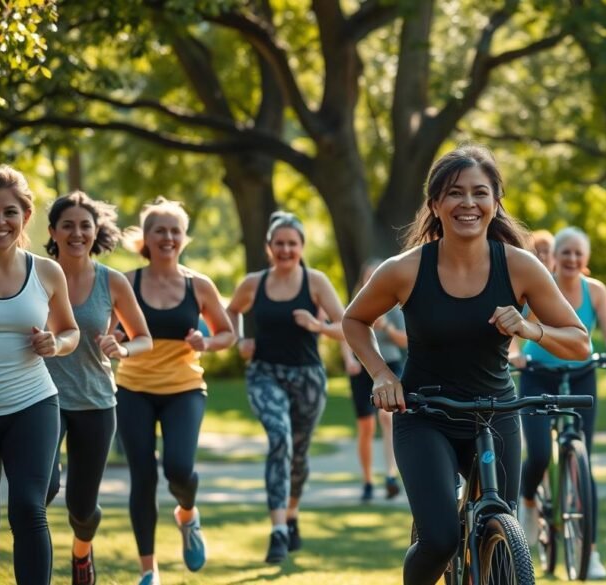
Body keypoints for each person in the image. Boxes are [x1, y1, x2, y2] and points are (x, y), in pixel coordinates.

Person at [342, 144, 590, 585]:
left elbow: (579, 343)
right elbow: (355, 319)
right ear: (435, 205)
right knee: (440, 540)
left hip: (495, 414)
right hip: (425, 416)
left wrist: (532, 331)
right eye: (455, 193)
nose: (468, 204)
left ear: (495, 203)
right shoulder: (406, 269)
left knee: (500, 532)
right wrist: (382, 373)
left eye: (480, 193)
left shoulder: (520, 267)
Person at [0, 166, 80, 585]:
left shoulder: (47, 271)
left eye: (10, 212)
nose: (0, 222)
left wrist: (57, 343)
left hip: (32, 402)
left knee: (29, 508)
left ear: (25, 217)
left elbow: (70, 331)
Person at [116, 197, 235, 585]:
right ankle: (148, 571)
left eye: (174, 231)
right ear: (145, 238)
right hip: (133, 388)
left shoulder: (198, 285)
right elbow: (108, 330)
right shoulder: (127, 283)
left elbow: (227, 333)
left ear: (183, 238)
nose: (167, 237)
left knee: (179, 469)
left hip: (184, 388)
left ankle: (187, 514)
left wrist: (207, 342)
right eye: (159, 230)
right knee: (143, 477)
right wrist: (115, 335)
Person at [43, 192, 153, 585]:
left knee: (82, 506)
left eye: (84, 225)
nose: (76, 233)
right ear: (52, 231)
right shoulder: (34, 274)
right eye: (67, 225)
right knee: (44, 486)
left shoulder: (113, 281)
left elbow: (145, 338)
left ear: (95, 231)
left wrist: (121, 347)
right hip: (42, 398)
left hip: (95, 400)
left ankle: (81, 553)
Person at [226, 211, 346, 563]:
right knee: (279, 437)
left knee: (298, 452)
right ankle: (278, 531)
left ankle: (291, 516)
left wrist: (317, 326)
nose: (285, 249)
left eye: (292, 243)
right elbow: (230, 311)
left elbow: (348, 325)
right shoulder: (254, 283)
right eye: (279, 243)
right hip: (265, 373)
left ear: (301, 247)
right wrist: (240, 340)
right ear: (269, 247)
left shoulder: (315, 282)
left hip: (307, 376)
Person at [511, 227, 606, 579]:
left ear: (586, 258)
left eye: (579, 253)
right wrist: (516, 354)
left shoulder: (597, 291)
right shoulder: (541, 284)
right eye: (566, 253)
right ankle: (529, 502)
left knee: (583, 458)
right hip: (537, 375)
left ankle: (589, 551)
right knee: (540, 454)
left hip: (581, 375)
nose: (572, 259)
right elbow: (518, 328)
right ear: (555, 256)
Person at [344, 259, 406, 504]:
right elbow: (345, 332)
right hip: (361, 368)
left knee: (388, 417)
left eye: (377, 277)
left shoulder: (395, 306)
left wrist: (388, 329)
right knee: (366, 427)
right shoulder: (356, 304)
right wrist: (349, 358)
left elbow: (406, 341)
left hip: (390, 365)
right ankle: (368, 480)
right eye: (369, 278)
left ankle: (390, 476)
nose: (373, 282)